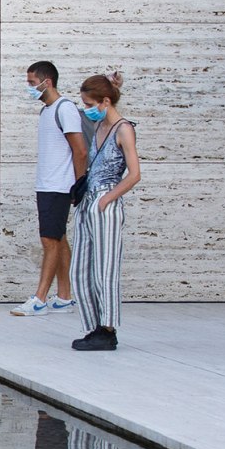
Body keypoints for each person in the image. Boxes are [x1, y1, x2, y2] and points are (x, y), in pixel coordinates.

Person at [69, 71, 141, 352]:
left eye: (90, 104)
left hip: (105, 199)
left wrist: (107, 199)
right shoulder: (100, 127)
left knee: (105, 268)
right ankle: (93, 325)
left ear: (105, 102)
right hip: (89, 200)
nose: (87, 109)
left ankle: (107, 328)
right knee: (81, 269)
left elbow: (134, 174)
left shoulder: (124, 129)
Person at [11, 61, 87, 317]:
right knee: (59, 238)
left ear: (47, 82)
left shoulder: (64, 109)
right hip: (46, 184)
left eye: (32, 83)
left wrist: (79, 184)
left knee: (49, 240)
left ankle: (40, 298)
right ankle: (64, 297)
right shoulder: (47, 111)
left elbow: (80, 149)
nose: (29, 88)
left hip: (59, 185)